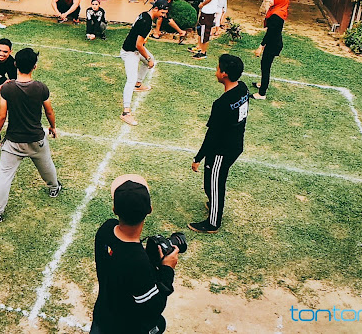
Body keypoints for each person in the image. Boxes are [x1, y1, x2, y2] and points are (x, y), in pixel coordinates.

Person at [91, 174, 179, 334]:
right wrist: (167, 269)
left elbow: (121, 259)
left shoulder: (105, 229)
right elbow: (153, 308)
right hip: (126, 327)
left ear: (114, 210)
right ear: (149, 210)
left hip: (103, 316)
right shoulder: (137, 262)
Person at [0, 48, 61, 223]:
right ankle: (54, 188)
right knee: (46, 165)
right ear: (35, 66)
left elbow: (2, 115)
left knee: (5, 176)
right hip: (37, 140)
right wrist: (53, 127)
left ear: (15, 64)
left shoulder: (8, 88)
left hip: (13, 143)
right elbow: (49, 111)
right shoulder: (41, 87)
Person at [189, 54, 249, 233]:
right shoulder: (243, 89)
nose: (215, 72)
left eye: (217, 69)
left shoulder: (222, 104)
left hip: (222, 151)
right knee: (211, 181)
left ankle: (213, 222)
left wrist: (198, 157)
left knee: (215, 184)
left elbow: (212, 135)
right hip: (236, 145)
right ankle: (214, 202)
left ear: (224, 74)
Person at [119, 0, 169, 126]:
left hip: (134, 49)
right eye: (162, 13)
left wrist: (149, 59)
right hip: (130, 51)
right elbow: (139, 45)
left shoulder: (145, 14)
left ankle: (138, 84)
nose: (163, 16)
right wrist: (147, 58)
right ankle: (126, 112)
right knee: (131, 78)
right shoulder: (146, 23)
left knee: (151, 60)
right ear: (156, 9)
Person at [252, 0, 288, 100]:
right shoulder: (278, 11)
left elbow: (270, 34)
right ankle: (262, 84)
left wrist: (261, 46)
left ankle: (261, 93)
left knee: (265, 66)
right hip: (274, 42)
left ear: (279, 1)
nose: (270, 0)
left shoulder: (276, 16)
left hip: (273, 44)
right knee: (265, 65)